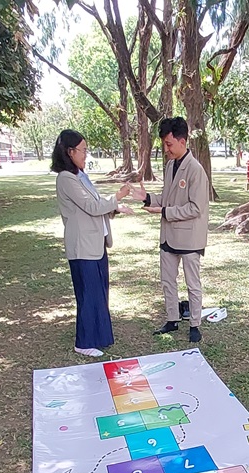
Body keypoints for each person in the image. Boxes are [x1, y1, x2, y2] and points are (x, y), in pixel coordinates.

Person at [52, 129, 132, 358]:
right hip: (82, 246)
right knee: (89, 294)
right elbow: (92, 207)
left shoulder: (80, 176)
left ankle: (99, 336)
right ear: (70, 152)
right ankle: (83, 341)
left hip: (95, 243)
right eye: (83, 150)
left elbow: (96, 205)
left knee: (99, 292)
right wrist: (118, 196)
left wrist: (116, 208)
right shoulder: (66, 179)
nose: (86, 154)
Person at [131, 117, 210, 343]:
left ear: (182, 141)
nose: (166, 149)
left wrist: (165, 212)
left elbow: (195, 208)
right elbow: (166, 198)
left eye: (169, 144)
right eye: (164, 144)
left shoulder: (196, 170)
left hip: (189, 237)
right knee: (167, 280)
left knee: (192, 283)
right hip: (168, 235)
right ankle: (172, 318)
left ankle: (195, 323)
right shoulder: (169, 166)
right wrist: (146, 198)